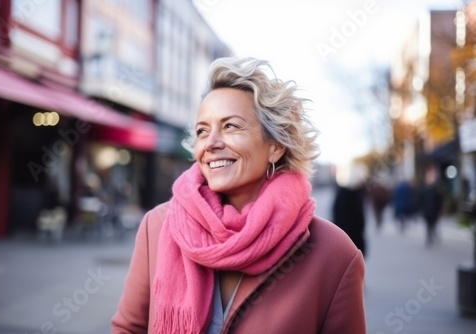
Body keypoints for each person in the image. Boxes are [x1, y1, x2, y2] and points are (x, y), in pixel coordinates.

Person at [111, 57, 366, 333]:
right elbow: (129, 328)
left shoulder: (335, 255)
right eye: (202, 131)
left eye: (231, 126)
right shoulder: (157, 227)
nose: (211, 143)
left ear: (276, 146)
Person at [332, 161, 368, 258]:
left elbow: (335, 216)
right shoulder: (356, 195)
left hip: (344, 239)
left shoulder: (342, 194)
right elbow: (360, 220)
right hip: (353, 239)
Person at [419, 164, 444, 246]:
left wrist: (439, 209)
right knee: (428, 225)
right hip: (426, 210)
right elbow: (420, 199)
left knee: (433, 224)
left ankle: (433, 235)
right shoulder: (423, 188)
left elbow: (440, 200)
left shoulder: (437, 189)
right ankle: (429, 237)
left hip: (434, 211)